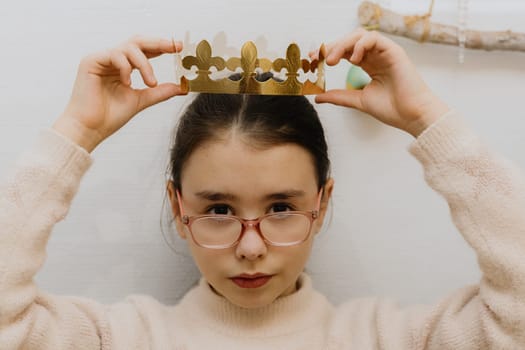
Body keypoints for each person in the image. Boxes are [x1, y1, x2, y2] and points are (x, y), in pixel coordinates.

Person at [0, 28, 524, 349]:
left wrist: (428, 119)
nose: (251, 247)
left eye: (280, 207)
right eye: (220, 209)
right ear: (177, 206)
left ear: (322, 204)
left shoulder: (393, 340)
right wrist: (76, 131)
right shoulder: (118, 339)